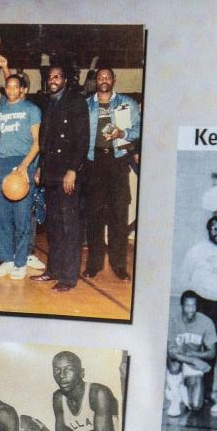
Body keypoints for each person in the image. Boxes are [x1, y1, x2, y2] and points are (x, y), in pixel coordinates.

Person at [0, 38, 41, 281]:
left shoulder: (31, 109)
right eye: (7, 86)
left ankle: (20, 262)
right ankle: (7, 259)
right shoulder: (1, 109)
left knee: (21, 215)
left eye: (13, 86)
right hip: (3, 163)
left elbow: (38, 143)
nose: (9, 90)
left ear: (23, 90)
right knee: (3, 216)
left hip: (23, 162)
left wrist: (25, 167)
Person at [32, 63, 89, 292]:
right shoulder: (49, 103)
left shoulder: (76, 102)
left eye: (58, 76)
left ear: (65, 80)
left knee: (69, 227)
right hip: (51, 174)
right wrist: (40, 168)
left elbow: (82, 139)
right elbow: (45, 141)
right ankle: (53, 270)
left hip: (68, 175)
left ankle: (67, 278)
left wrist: (73, 169)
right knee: (53, 226)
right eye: (51, 76)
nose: (53, 79)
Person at [82, 66, 141, 281]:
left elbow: (140, 128)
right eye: (100, 77)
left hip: (117, 161)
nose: (104, 80)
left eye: (108, 77)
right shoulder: (86, 104)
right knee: (94, 216)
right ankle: (93, 264)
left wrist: (122, 133)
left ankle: (119, 265)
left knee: (119, 215)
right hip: (93, 162)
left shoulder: (128, 103)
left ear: (113, 80)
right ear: (96, 81)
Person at [39, 351, 119, 431]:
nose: (62, 375)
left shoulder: (98, 393)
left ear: (82, 372)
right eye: (57, 370)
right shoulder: (58, 398)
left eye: (68, 369)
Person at [181, 215, 217, 340]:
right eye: (214, 229)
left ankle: (211, 360)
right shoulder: (197, 250)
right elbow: (186, 273)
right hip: (201, 300)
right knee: (198, 335)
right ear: (208, 230)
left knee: (214, 337)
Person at [165, 291, 217, 416]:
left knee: (195, 405)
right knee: (174, 365)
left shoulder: (206, 322)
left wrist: (193, 354)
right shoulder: (172, 321)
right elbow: (171, 352)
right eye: (187, 305)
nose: (190, 309)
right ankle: (175, 398)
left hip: (192, 360)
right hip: (178, 360)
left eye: (193, 305)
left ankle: (179, 386)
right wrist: (194, 360)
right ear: (181, 305)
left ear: (197, 306)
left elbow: (212, 353)